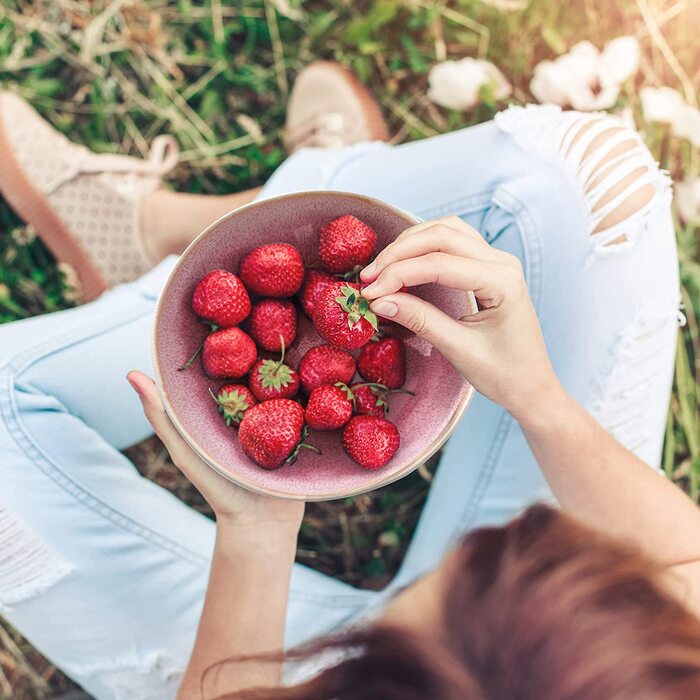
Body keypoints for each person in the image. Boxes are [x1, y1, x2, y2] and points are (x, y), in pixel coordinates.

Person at [0, 60, 697, 700]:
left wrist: (258, 529)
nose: (486, 543)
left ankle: (233, 215)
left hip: (271, 668)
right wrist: (537, 397)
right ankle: (193, 223)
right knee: (586, 190)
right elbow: (685, 559)